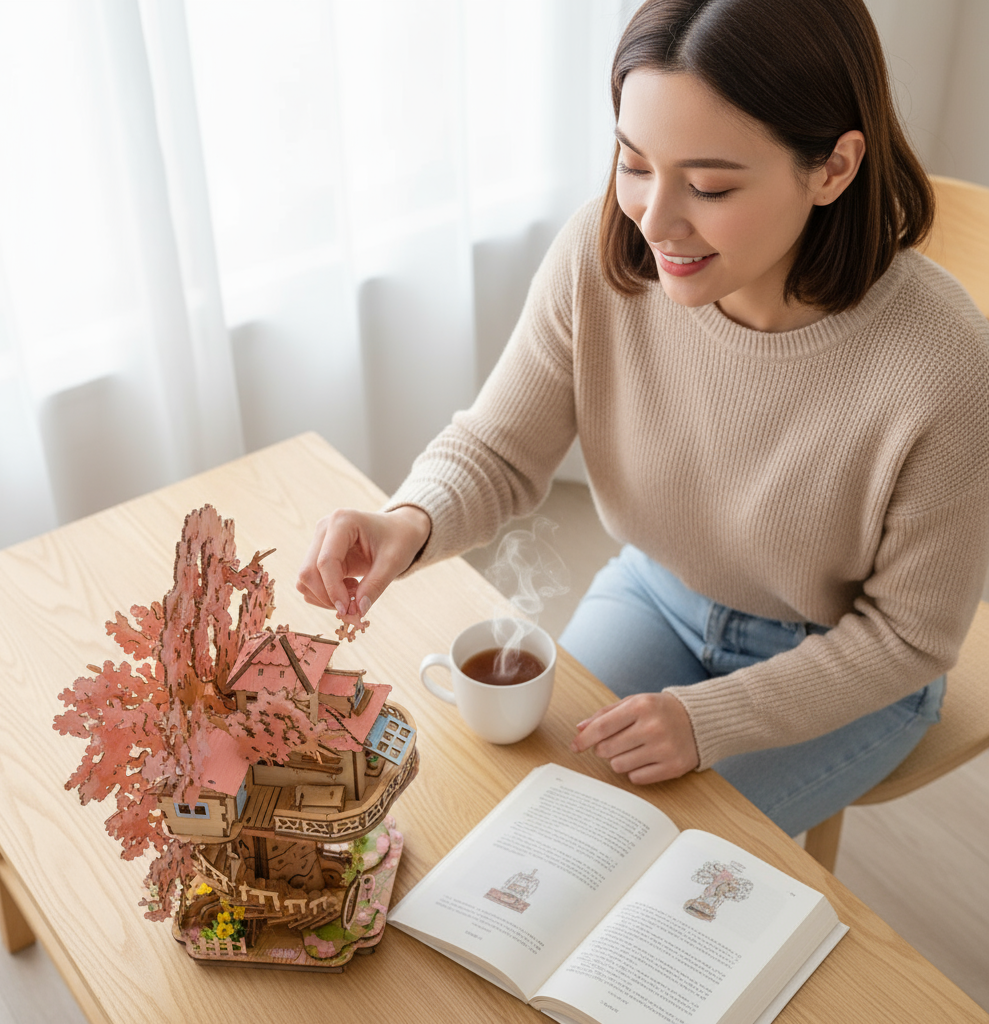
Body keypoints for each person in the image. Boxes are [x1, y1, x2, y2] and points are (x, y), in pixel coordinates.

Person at [298, 0, 989, 836]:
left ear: (833, 169)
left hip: (844, 662)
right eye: (633, 163)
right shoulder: (600, 264)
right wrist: (409, 519)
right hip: (657, 594)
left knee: (658, 866)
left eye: (709, 185)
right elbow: (500, 447)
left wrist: (709, 720)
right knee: (537, 827)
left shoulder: (945, 363)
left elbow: (909, 638)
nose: (653, 220)